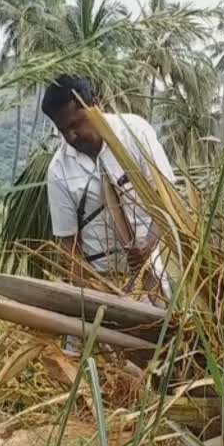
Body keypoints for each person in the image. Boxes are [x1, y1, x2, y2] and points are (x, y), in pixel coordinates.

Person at [42, 75, 175, 297]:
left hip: (150, 279)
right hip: (97, 284)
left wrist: (149, 243)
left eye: (76, 124)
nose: (72, 136)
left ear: (94, 104)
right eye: (63, 130)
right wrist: (95, 290)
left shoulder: (135, 133)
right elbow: (68, 245)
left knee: (163, 328)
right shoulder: (59, 169)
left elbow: (167, 196)